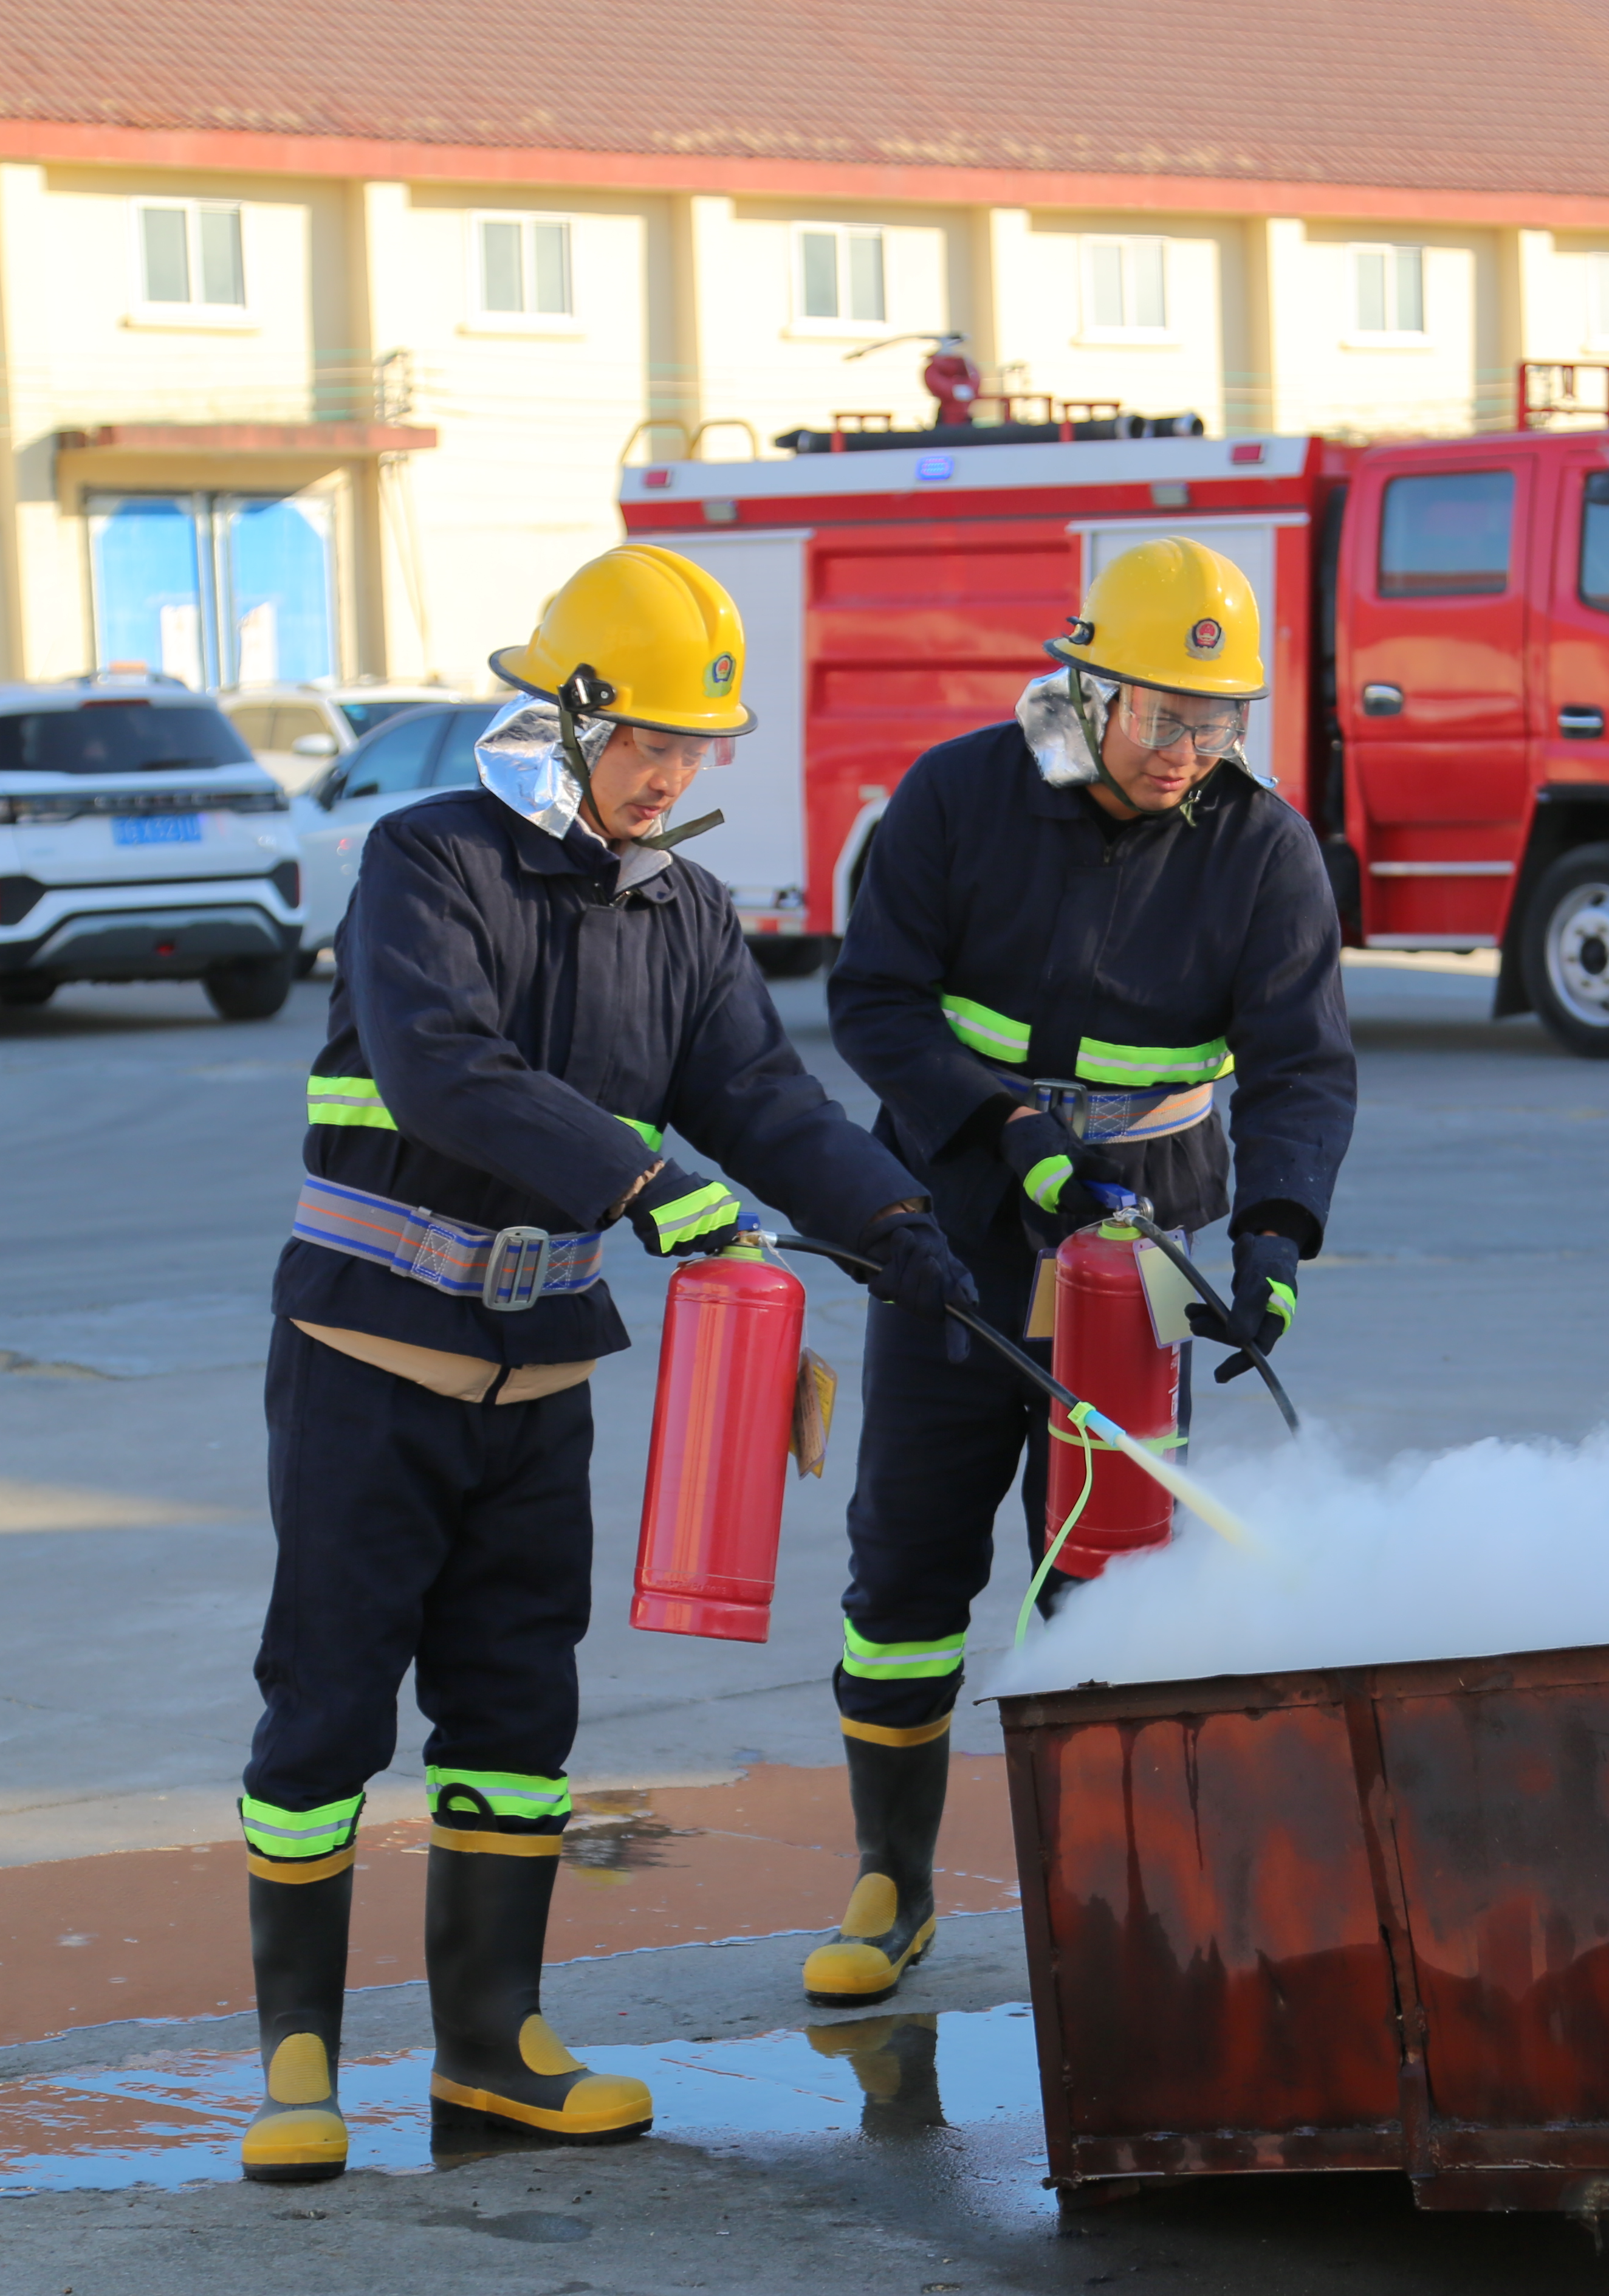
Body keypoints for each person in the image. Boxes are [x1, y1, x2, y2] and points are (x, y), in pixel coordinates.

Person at [232, 542, 976, 2182]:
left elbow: (762, 1101)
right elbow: (443, 1070)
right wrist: (651, 1187)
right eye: (643, 738)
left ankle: (493, 2047)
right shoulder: (427, 861)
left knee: (518, 1705)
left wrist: (897, 1224)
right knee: (329, 1703)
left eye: (695, 746)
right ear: (564, 717)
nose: (668, 773)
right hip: (369, 1361)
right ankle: (297, 2061)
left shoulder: (680, 912)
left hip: (537, 1383)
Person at [801, 537, 1358, 2006]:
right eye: (1165, 716)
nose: (1189, 751)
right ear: (1089, 686)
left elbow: (1302, 1066)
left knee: (1111, 1582)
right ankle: (892, 1880)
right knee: (908, 1557)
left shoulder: (1261, 849)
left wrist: (1275, 1239)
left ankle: (1108, 1897)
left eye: (1219, 722)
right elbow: (874, 1003)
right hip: (956, 1225)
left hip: (1136, 1248)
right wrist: (1010, 1138)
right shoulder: (956, 797)